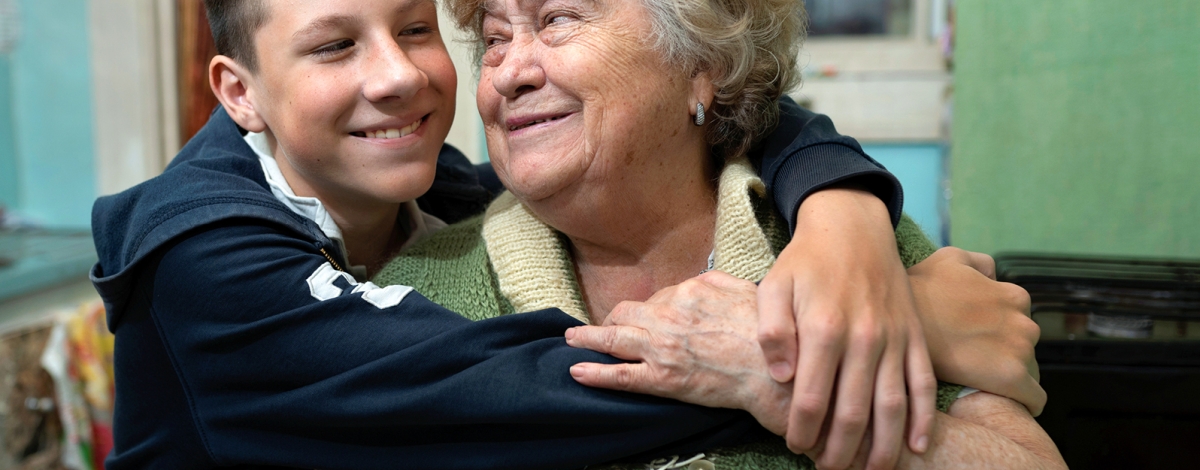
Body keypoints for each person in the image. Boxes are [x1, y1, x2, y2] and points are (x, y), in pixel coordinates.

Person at [86, 0, 972, 468]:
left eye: (414, 28)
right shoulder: (204, 260)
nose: (397, 76)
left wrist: (843, 213)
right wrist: (816, 352)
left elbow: (741, 104)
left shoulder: (446, 191)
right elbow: (487, 393)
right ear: (239, 93)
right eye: (332, 48)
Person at [375, 0, 1063, 467]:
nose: (510, 74)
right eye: (495, 39)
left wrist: (777, 380)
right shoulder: (416, 290)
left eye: (558, 19)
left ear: (700, 66)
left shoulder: (852, 248)